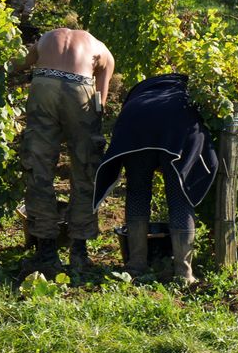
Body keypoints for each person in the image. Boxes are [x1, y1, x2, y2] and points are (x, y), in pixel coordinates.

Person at [93, 74, 218, 282]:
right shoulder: (188, 94)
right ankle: (183, 272)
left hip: (135, 124)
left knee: (137, 191)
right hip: (177, 127)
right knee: (179, 197)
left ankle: (136, 265)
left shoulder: (140, 93)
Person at [13, 27, 113, 275]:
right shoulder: (102, 50)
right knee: (85, 168)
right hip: (80, 88)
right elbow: (102, 99)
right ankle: (79, 251)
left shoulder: (46, 39)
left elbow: (21, 65)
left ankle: (46, 251)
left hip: (43, 85)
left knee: (39, 167)